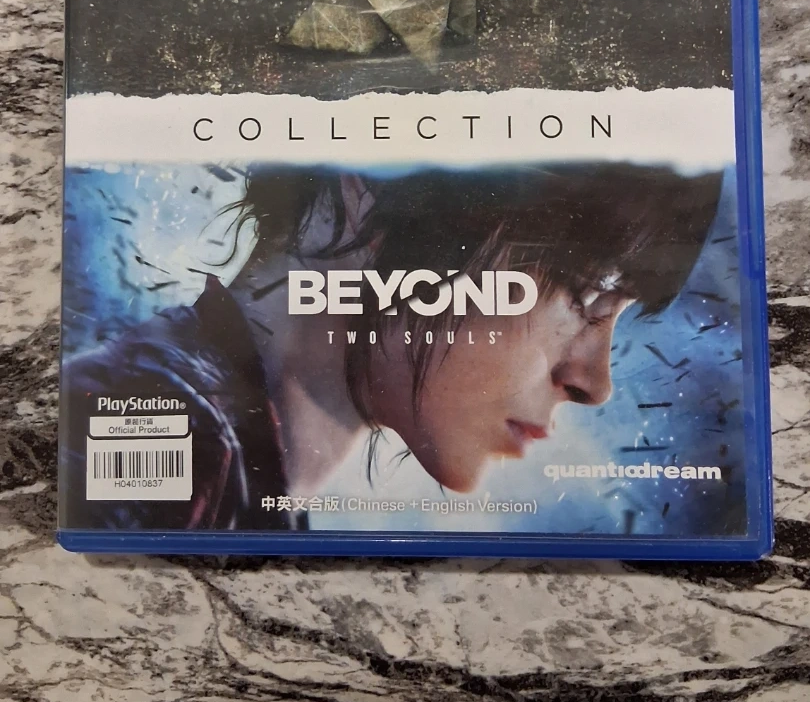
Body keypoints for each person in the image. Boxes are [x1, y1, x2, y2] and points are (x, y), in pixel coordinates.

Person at [60, 163, 723, 533]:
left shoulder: (228, 467)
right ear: (375, 188)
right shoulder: (154, 437)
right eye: (585, 292)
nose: (594, 381)